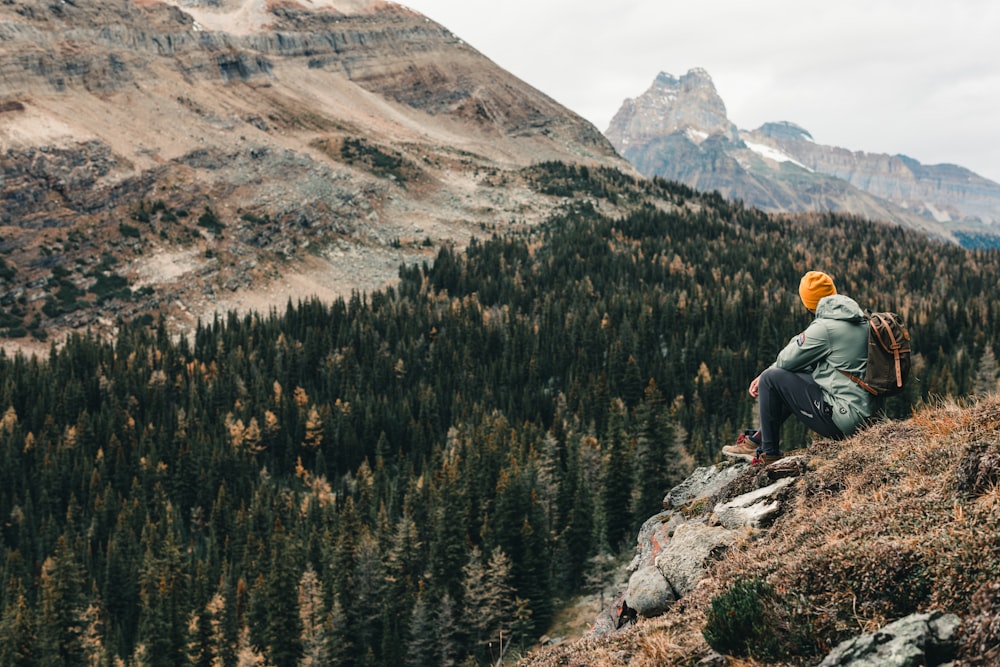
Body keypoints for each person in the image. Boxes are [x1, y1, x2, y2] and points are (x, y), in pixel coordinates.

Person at [722, 271, 872, 465]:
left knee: (770, 378)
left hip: (844, 420)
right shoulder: (857, 318)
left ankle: (769, 454)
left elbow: (785, 361)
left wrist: (802, 337)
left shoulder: (825, 328)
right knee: (789, 376)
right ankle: (758, 440)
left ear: (808, 302)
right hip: (863, 412)